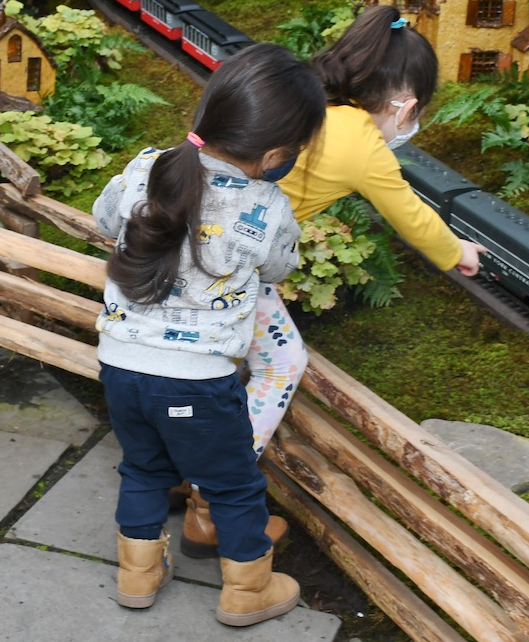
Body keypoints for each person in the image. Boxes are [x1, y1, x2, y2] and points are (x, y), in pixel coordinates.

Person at [177, 4, 487, 558]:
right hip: (229, 264)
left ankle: (179, 469)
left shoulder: (302, 100)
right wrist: (456, 252)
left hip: (183, 236)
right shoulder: (364, 146)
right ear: (406, 106)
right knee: (282, 362)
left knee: (205, 366)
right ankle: (212, 498)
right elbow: (411, 217)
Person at [93, 42, 326, 627]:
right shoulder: (266, 203)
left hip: (120, 367)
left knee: (142, 470)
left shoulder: (148, 166)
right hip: (197, 382)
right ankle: (248, 591)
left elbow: (103, 220)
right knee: (234, 485)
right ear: (275, 154)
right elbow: (277, 269)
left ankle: (138, 576)